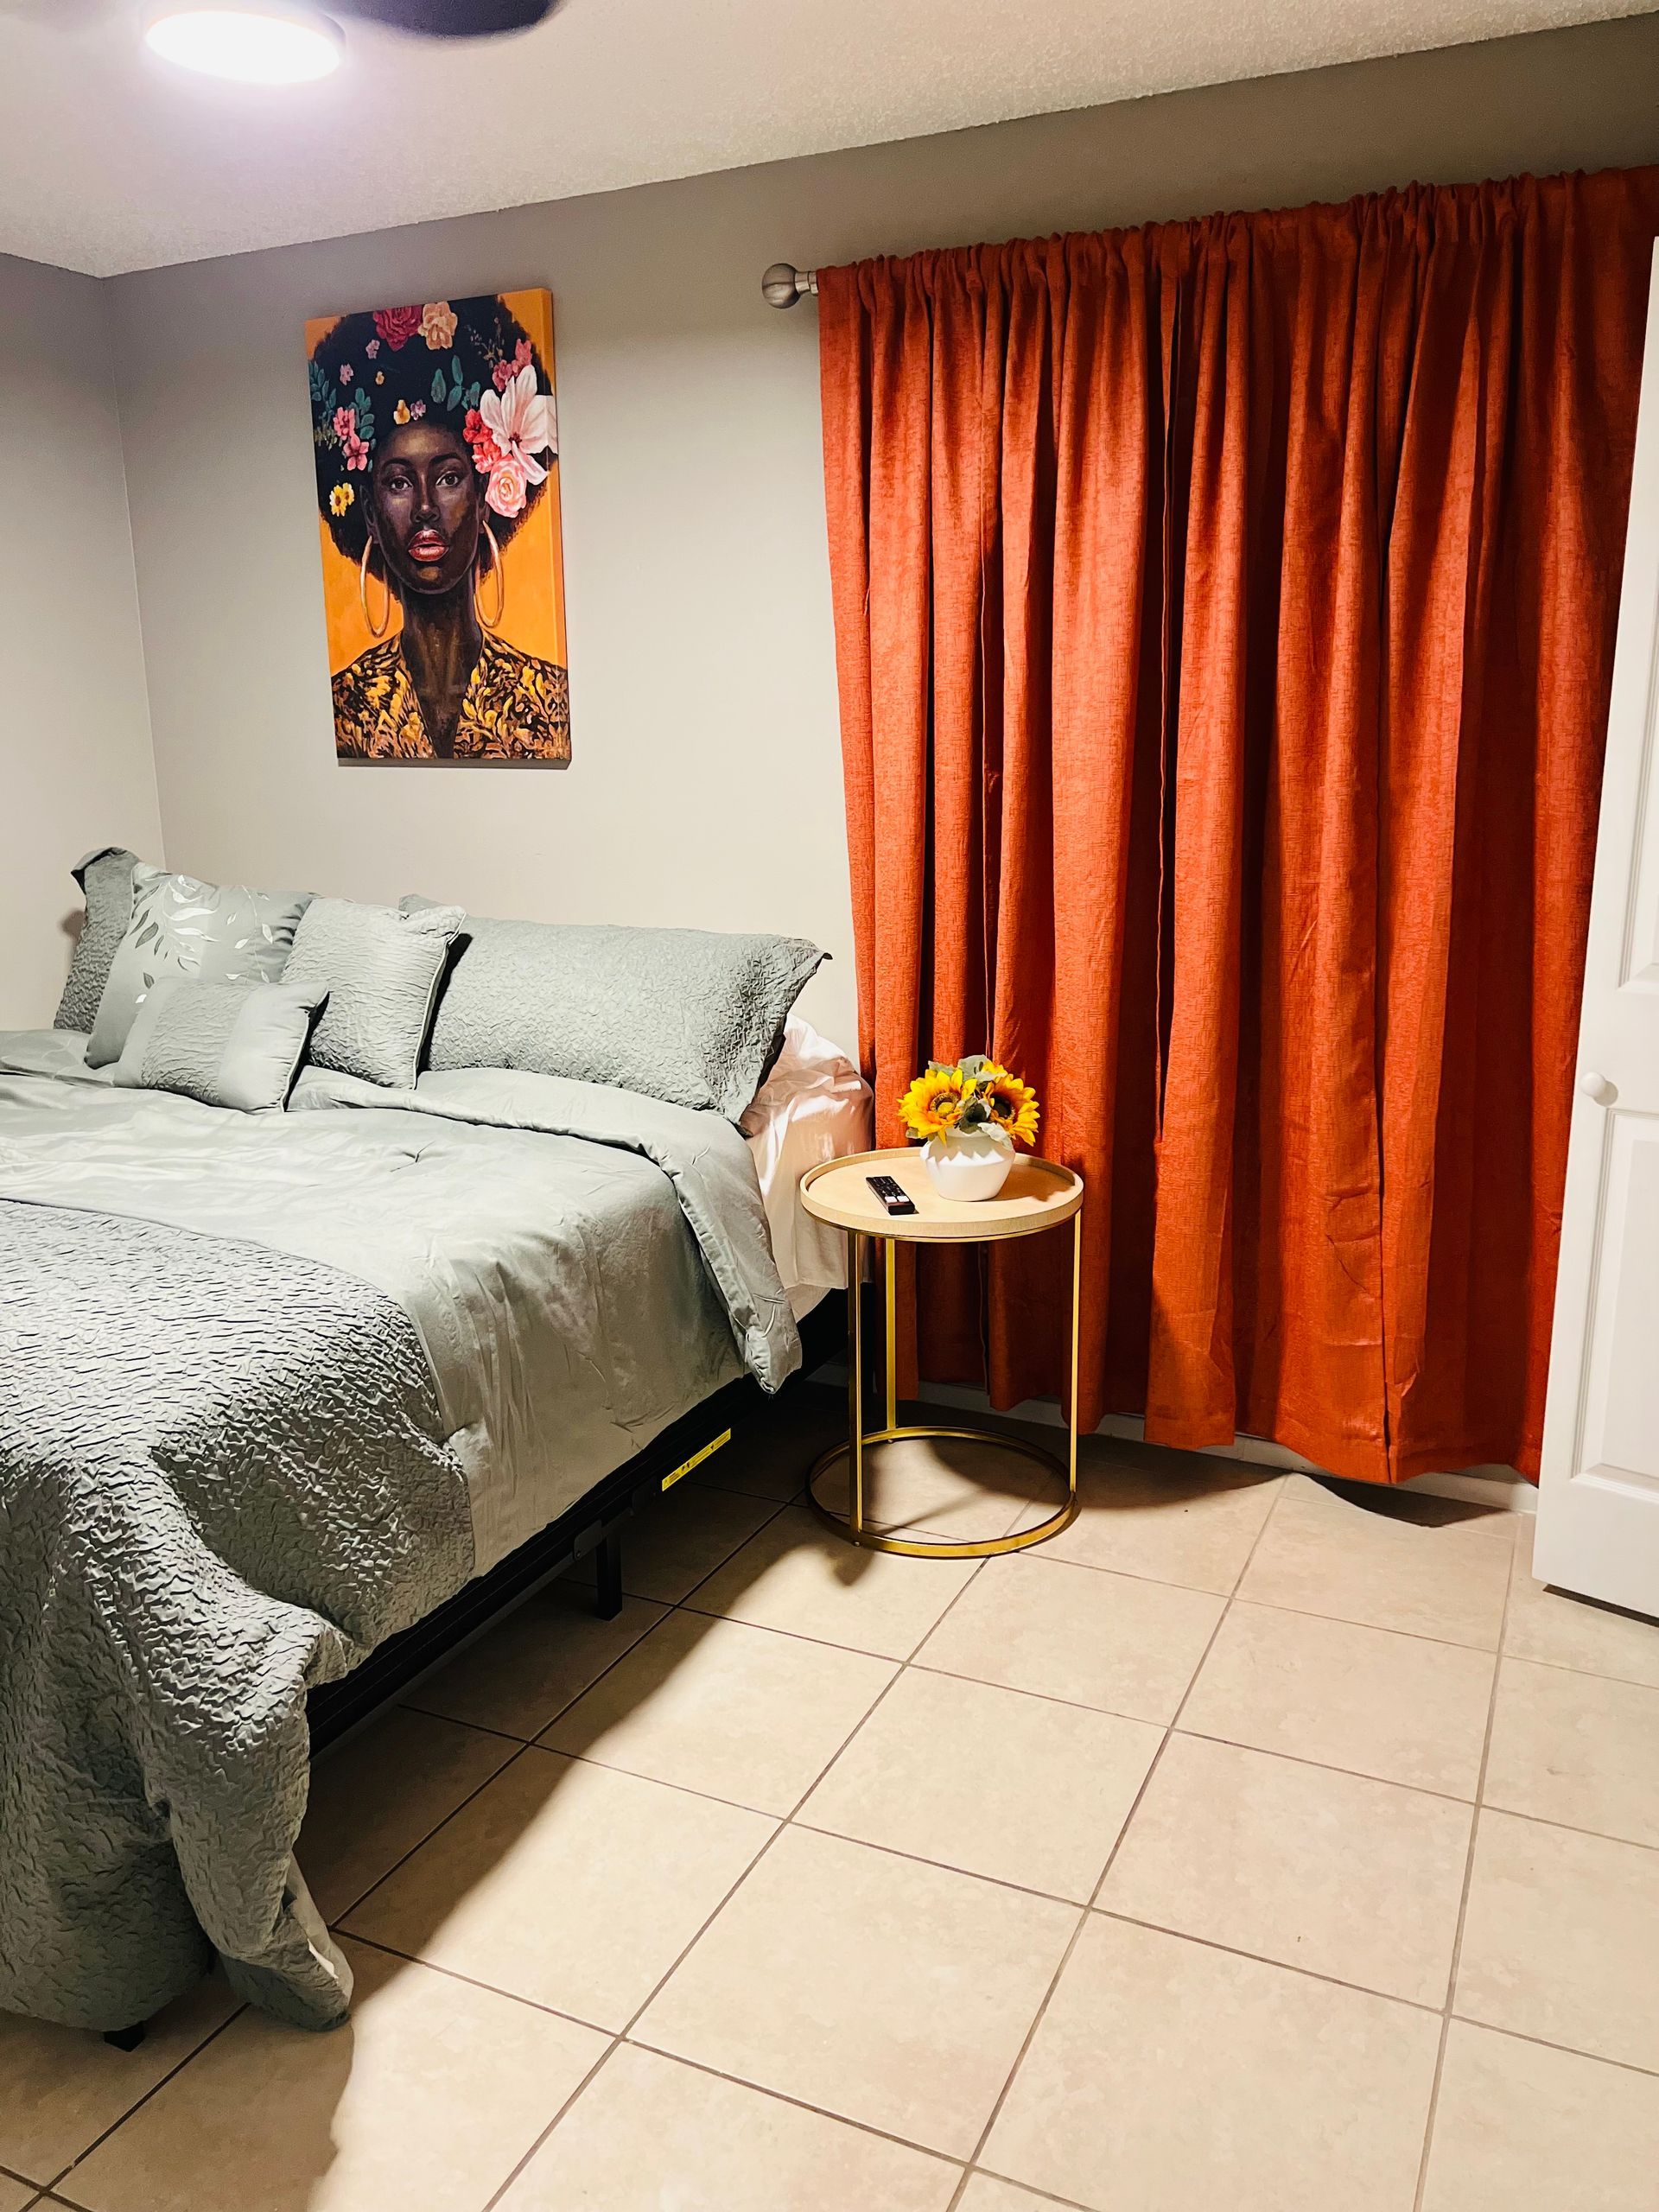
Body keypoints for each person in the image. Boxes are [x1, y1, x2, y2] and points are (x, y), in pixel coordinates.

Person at [308, 296, 569, 762]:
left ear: (485, 494)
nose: (425, 507)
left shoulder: (547, 698)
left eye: (449, 478)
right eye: (400, 483)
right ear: (369, 512)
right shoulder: (348, 704)